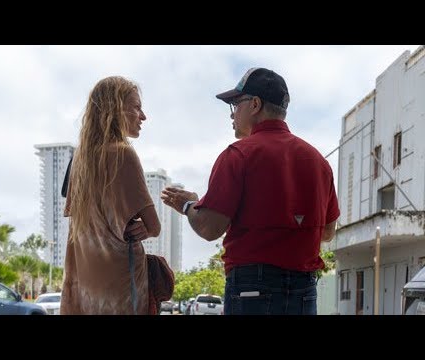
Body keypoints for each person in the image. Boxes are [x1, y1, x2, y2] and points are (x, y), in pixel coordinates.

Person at [161, 67, 340, 315]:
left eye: (235, 105)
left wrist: (187, 205)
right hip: (304, 289)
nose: (232, 115)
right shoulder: (319, 163)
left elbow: (210, 228)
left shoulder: (238, 155)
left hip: (251, 287)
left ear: (255, 104)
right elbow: (328, 233)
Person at [60, 76, 161, 315]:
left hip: (85, 285)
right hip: (121, 287)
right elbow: (154, 226)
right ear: (114, 109)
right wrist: (145, 229)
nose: (143, 116)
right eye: (136, 107)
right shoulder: (123, 154)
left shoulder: (80, 162)